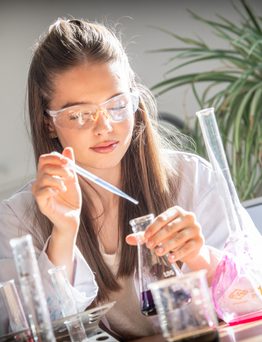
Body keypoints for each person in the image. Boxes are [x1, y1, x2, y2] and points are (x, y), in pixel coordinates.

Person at [0, 17, 257, 340]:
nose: (104, 127)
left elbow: (255, 302)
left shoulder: (192, 179)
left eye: (117, 105)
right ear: (48, 122)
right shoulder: (17, 219)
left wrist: (199, 257)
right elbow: (29, 332)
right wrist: (63, 234)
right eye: (79, 115)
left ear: (135, 100)